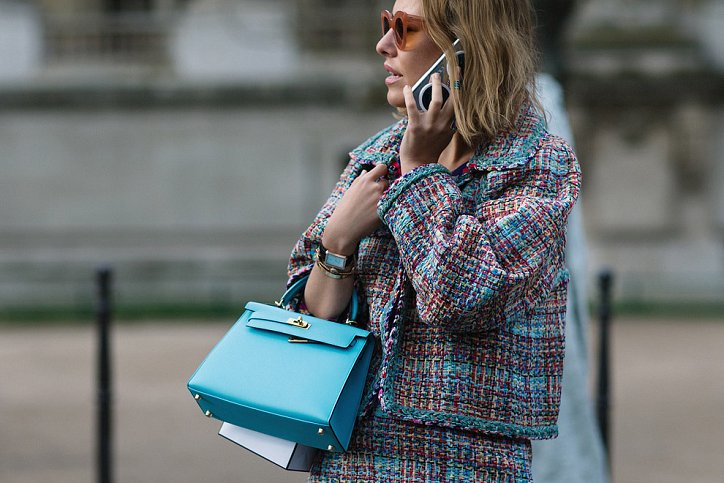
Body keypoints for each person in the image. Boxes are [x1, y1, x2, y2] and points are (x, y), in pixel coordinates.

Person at [286, 0, 580, 480]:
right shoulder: (375, 155)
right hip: (349, 461)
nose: (383, 44)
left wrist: (418, 172)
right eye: (386, 24)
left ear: (465, 48)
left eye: (404, 28)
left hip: (466, 464)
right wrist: (338, 240)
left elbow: (457, 296)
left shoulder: (537, 165)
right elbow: (308, 317)